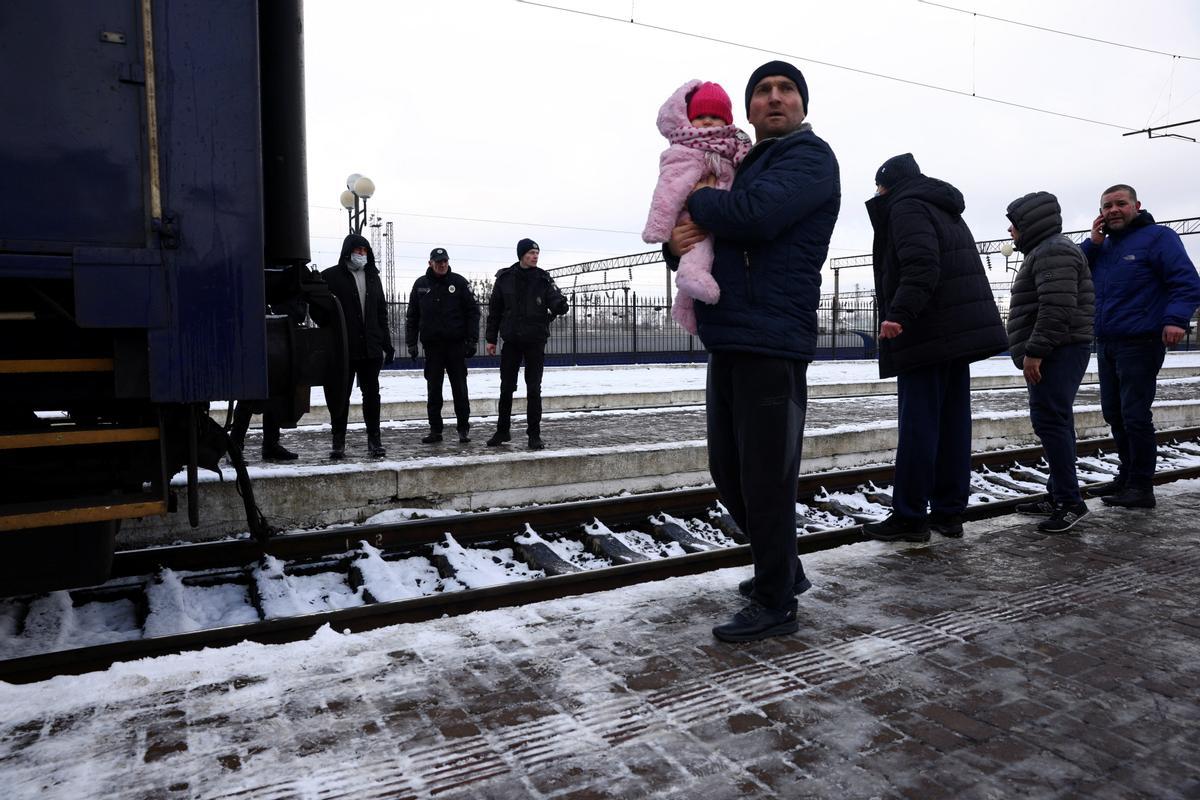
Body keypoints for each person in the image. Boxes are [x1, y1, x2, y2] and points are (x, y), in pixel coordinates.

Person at [665, 60, 839, 642]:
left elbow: (755, 218)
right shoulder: (744, 162)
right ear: (748, 108)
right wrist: (677, 243)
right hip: (732, 333)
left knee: (766, 477)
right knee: (729, 469)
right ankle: (782, 569)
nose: (774, 98)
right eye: (762, 91)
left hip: (773, 335)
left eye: (785, 90)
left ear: (801, 105)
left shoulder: (810, 158)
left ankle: (774, 602)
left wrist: (693, 202)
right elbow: (709, 240)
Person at [862, 154, 1007, 543]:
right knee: (952, 426)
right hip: (955, 335)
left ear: (887, 185)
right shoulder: (943, 207)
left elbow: (921, 264)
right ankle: (948, 512)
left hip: (926, 332)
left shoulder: (906, 205)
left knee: (920, 428)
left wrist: (899, 312)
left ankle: (910, 517)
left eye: (878, 188)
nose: (876, 195)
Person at [1082, 184, 1200, 508]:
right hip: (1107, 341)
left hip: (1141, 340)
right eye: (1106, 206)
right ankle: (1126, 477)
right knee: (1114, 413)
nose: (1113, 210)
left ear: (1137, 205)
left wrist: (1175, 319)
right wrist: (1092, 244)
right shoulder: (1102, 246)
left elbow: (1186, 281)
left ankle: (1141, 487)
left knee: (1134, 414)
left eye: (1120, 203)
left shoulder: (1159, 238)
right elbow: (1077, 271)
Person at [1005, 191, 1095, 533]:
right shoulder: (1048, 250)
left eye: (1014, 225)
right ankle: (1058, 494)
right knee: (1055, 420)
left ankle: (1071, 503)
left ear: (1029, 223)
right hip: (1060, 348)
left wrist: (1036, 350)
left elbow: (1057, 308)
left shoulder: (1053, 251)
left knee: (1051, 421)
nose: (1011, 233)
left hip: (1058, 350)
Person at [642, 80, 752, 334]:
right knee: (698, 245)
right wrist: (660, 232)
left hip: (723, 224)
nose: (708, 122)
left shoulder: (737, 148)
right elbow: (668, 190)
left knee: (706, 250)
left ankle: (685, 310)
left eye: (716, 116)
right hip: (694, 220)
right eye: (701, 116)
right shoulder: (687, 149)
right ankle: (689, 276)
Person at [484, 239, 569, 450]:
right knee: (506, 388)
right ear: (521, 255)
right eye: (531, 253)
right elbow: (495, 311)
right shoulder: (504, 279)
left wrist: (560, 304)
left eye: (537, 253)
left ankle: (534, 434)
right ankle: (502, 431)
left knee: (533, 389)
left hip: (535, 340)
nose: (535, 256)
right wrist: (491, 338)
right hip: (511, 340)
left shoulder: (542, 278)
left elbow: (554, 298)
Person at [321, 233, 393, 458]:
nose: (361, 254)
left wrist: (386, 343)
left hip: (370, 348)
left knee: (371, 395)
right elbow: (321, 311)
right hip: (343, 349)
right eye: (358, 250)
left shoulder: (373, 277)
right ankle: (338, 441)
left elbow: (381, 312)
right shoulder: (331, 276)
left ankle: (374, 439)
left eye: (364, 251)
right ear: (348, 251)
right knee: (339, 395)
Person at [405, 247, 480, 444]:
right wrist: (411, 343)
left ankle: (463, 429)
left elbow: (473, 312)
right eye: (438, 261)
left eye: (445, 261)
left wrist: (472, 340)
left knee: (460, 389)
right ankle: (435, 430)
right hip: (433, 347)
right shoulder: (421, 285)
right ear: (430, 263)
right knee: (434, 390)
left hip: (456, 346)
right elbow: (412, 316)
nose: (442, 264)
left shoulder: (459, 282)